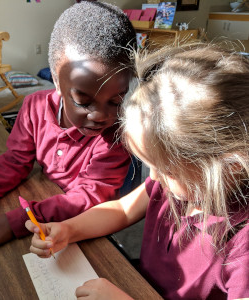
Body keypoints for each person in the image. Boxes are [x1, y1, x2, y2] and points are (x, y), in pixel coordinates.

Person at [25, 44, 249, 299]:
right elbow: (121, 210)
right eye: (148, 165)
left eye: (166, 170)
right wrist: (68, 229)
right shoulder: (172, 186)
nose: (153, 178)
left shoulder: (242, 242)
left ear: (230, 166)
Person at [0, 2, 136, 252]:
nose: (101, 115)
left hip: (88, 228)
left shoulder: (117, 135)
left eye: (116, 101)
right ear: (57, 82)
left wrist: (16, 221)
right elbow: (15, 161)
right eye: (83, 100)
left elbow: (89, 197)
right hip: (44, 207)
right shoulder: (33, 107)